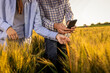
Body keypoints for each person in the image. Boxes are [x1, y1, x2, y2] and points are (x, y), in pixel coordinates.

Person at [0, 0, 70, 45]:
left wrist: (56, 36)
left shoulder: (34, 3)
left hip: (24, 43)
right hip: (5, 41)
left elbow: (38, 27)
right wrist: (7, 28)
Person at [38, 0, 75, 72]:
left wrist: (69, 22)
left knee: (64, 59)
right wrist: (55, 26)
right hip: (49, 33)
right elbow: (41, 18)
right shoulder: (40, 1)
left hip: (64, 33)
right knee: (52, 57)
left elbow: (68, 11)